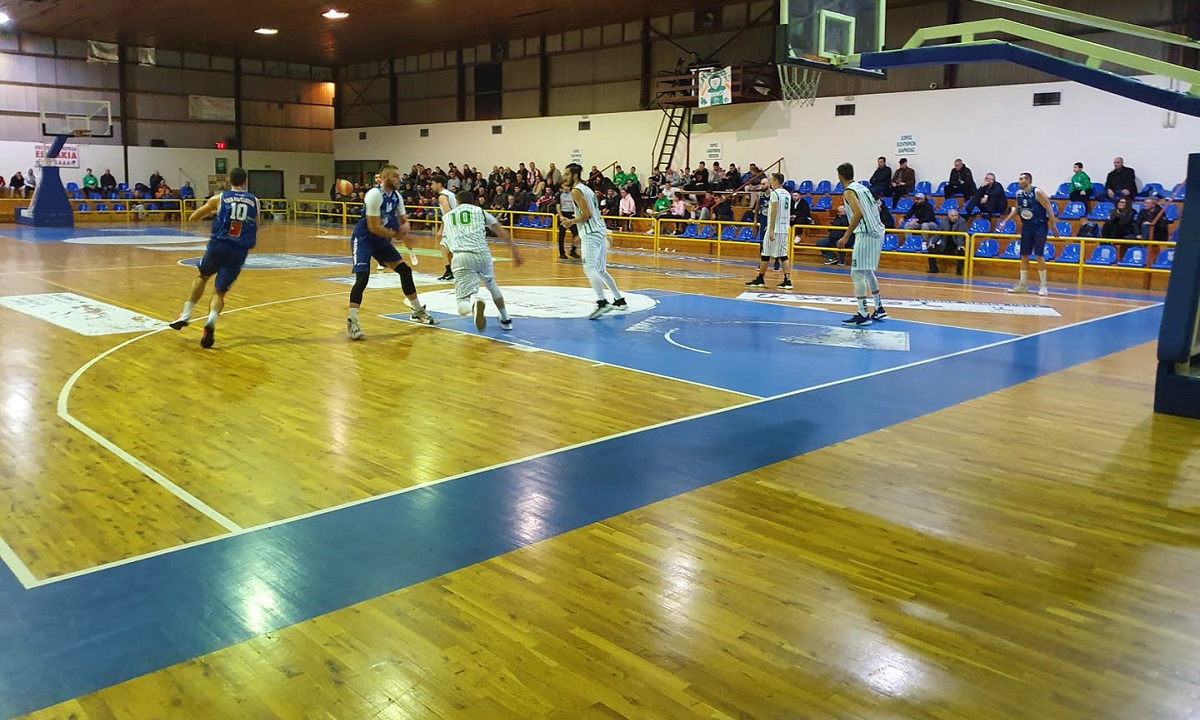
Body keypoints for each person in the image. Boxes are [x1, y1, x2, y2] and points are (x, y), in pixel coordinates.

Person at [167, 168, 258, 349]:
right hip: (239, 250)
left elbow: (193, 217)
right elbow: (256, 224)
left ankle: (186, 314)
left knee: (202, 277)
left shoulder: (219, 198)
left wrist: (211, 213)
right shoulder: (255, 201)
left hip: (219, 245)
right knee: (220, 292)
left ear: (229, 181)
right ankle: (210, 321)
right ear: (245, 181)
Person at [346, 164, 435, 340]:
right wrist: (397, 235)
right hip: (364, 239)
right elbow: (373, 226)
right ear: (385, 178)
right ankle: (352, 321)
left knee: (405, 270)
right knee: (362, 278)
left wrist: (406, 227)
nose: (399, 179)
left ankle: (417, 310)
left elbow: (403, 219)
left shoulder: (397, 196)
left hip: (381, 241)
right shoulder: (374, 194)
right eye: (395, 176)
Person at [443, 190, 523, 331]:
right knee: (492, 285)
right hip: (482, 253)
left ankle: (472, 308)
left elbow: (445, 244)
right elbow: (501, 231)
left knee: (462, 301)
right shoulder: (480, 211)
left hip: (461, 255)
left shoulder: (447, 217)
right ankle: (506, 319)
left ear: (457, 202)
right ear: (473, 201)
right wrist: (515, 251)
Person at [558, 163, 627, 319]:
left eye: (567, 174)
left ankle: (602, 302)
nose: (564, 177)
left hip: (591, 232)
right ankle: (619, 300)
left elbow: (587, 214)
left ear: (575, 175)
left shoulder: (576, 191)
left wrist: (571, 222)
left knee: (589, 268)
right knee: (601, 270)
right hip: (599, 230)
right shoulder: (587, 189)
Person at [837, 162, 887, 326]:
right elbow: (876, 208)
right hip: (877, 231)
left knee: (856, 273)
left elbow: (858, 212)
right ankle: (879, 308)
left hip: (866, 233)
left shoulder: (849, 191)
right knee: (866, 270)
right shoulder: (863, 188)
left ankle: (863, 313)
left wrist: (846, 236)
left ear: (840, 176)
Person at [1001, 172, 1060, 297]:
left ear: (1028, 180)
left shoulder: (1037, 192)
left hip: (1039, 226)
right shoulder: (1019, 194)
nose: (1019, 181)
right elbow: (1017, 209)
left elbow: (1048, 207)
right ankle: (1022, 284)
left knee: (1039, 255)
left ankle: (1043, 285)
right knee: (1024, 255)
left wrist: (1053, 225)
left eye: (1021, 179)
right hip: (1027, 226)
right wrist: (1005, 221)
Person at [744, 173, 793, 289]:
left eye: (771, 180)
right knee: (783, 255)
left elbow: (774, 211)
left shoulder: (775, 194)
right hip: (784, 227)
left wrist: (771, 228)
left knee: (765, 253)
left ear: (776, 181)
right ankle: (787, 280)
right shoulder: (787, 193)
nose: (770, 181)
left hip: (775, 229)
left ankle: (760, 279)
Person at [431, 174, 457, 281]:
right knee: (448, 249)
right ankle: (450, 270)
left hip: (451, 224)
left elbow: (447, 213)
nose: (431, 186)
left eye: (433, 184)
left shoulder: (442, 196)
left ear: (439, 184)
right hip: (456, 223)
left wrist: (441, 230)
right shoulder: (450, 194)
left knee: (443, 246)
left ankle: (449, 270)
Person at [927, 207, 967, 275]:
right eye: (952, 216)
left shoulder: (962, 221)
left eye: (956, 215)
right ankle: (933, 269)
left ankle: (959, 271)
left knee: (961, 251)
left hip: (955, 245)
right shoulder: (944, 221)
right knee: (931, 249)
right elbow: (939, 233)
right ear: (949, 216)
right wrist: (933, 243)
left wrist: (960, 245)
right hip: (944, 245)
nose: (954, 217)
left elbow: (961, 235)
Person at [554, 179, 581, 258]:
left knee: (577, 234)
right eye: (565, 186)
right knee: (561, 235)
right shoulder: (559, 195)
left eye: (568, 186)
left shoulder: (573, 194)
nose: (566, 188)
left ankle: (573, 251)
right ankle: (562, 253)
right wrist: (560, 215)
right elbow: (558, 206)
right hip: (563, 215)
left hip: (571, 215)